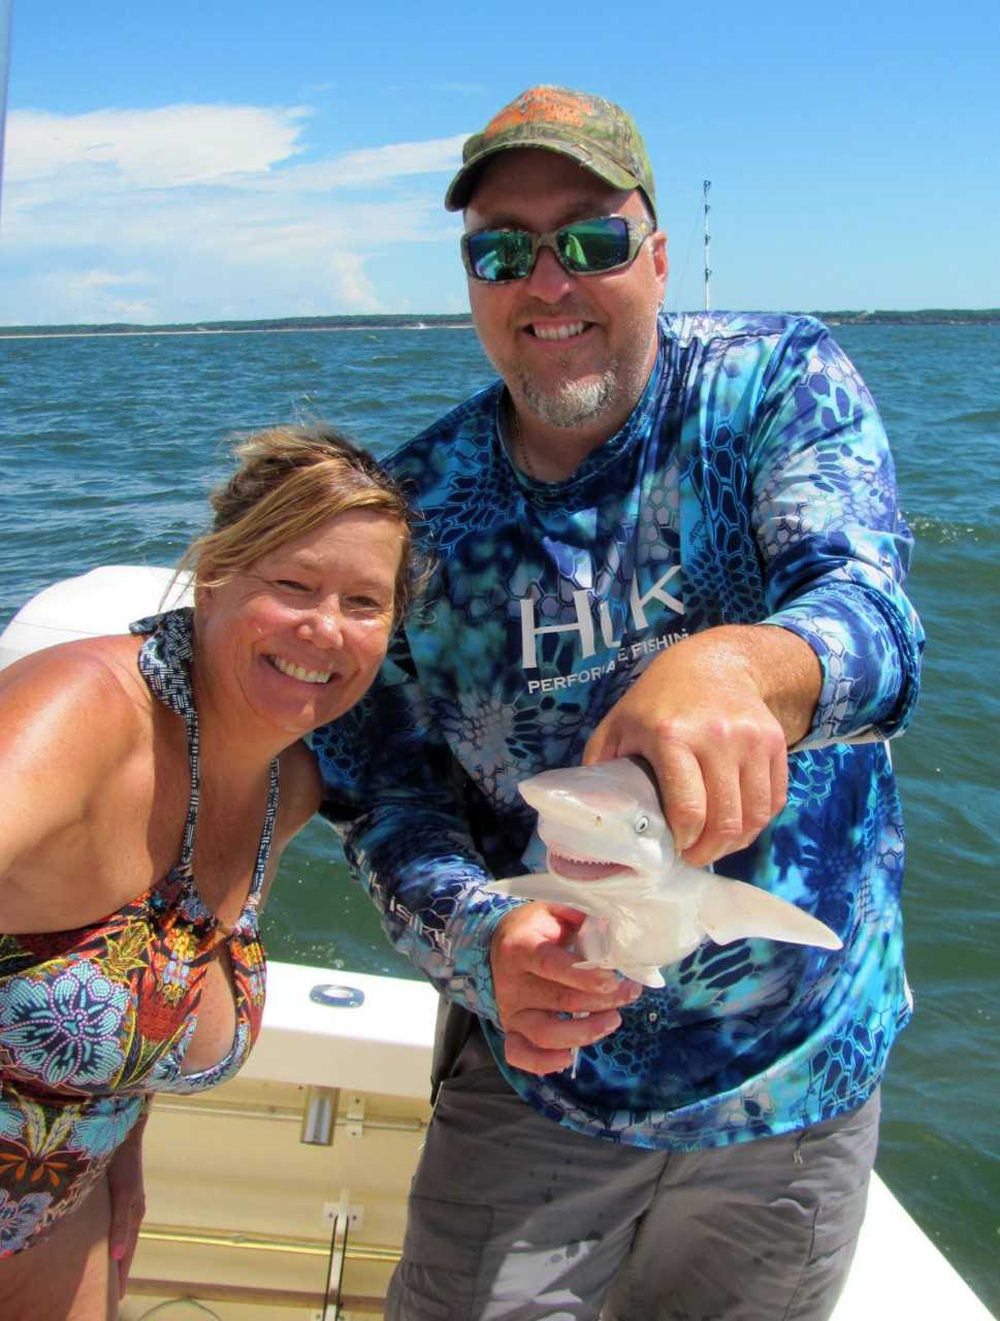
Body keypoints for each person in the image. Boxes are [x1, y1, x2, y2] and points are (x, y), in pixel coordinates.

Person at [315, 85, 924, 1321]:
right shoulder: (416, 511)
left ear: (655, 253)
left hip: (795, 1084)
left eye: (590, 238)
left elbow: (878, 621)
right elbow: (386, 797)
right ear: (472, 281)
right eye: (502, 250)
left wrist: (743, 663)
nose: (548, 281)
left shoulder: (771, 385)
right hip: (541, 1081)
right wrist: (476, 937)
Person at [0, 424, 420, 1319]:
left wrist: (123, 1147)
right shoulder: (82, 718)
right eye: (294, 585)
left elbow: (144, 984)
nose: (325, 629)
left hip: (61, 1224)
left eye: (364, 602)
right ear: (218, 575)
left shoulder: (287, 785)